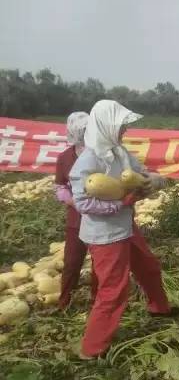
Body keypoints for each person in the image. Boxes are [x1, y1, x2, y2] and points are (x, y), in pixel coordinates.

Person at [69, 100, 178, 359]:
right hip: (105, 235)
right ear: (106, 125)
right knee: (114, 290)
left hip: (126, 226)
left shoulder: (119, 152)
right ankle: (91, 349)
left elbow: (140, 173)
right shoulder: (88, 159)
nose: (125, 131)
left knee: (149, 267)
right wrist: (121, 203)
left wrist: (154, 181)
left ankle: (159, 308)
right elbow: (83, 202)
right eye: (121, 126)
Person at [54, 111, 97, 309]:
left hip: (99, 219)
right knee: (71, 263)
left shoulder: (100, 154)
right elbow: (60, 186)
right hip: (76, 220)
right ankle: (65, 303)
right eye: (82, 131)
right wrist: (73, 202)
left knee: (99, 265)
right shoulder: (64, 158)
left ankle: (98, 302)